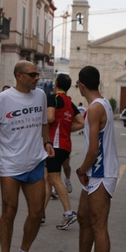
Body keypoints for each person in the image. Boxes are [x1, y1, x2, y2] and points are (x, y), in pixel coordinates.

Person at [0, 60, 54, 252]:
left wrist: (48, 141)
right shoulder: (4, 98)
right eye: (32, 74)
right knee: (9, 211)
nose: (36, 78)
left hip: (35, 162)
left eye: (37, 75)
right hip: (11, 165)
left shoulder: (40, 95)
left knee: (36, 213)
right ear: (19, 76)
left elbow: (43, 122)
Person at [56, 65, 119, 252]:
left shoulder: (94, 109)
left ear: (81, 85)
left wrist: (81, 170)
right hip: (95, 172)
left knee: (98, 225)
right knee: (83, 217)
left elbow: (93, 150)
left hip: (101, 172)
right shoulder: (101, 104)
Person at [44, 73, 84, 229]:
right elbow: (81, 122)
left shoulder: (53, 98)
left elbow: (50, 118)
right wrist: (67, 128)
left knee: (54, 178)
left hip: (53, 144)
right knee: (47, 177)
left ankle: (69, 212)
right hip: (65, 145)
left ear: (56, 83)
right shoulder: (70, 102)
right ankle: (40, 212)